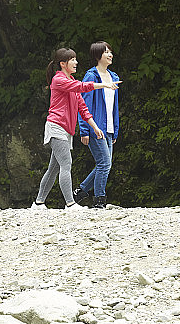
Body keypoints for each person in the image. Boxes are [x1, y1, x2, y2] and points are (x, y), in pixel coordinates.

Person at [32, 47, 120, 210]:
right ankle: (71, 203)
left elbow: (83, 108)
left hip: (66, 130)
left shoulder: (70, 82)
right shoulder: (59, 80)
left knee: (53, 169)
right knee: (66, 164)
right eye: (72, 60)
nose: (76, 62)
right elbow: (82, 87)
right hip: (56, 127)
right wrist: (104, 85)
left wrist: (95, 127)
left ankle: (38, 203)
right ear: (63, 64)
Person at [74, 41, 120, 209]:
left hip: (108, 128)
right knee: (104, 164)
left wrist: (115, 130)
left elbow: (114, 106)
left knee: (105, 164)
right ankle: (99, 200)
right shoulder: (91, 76)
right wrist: (84, 130)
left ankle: (80, 192)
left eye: (110, 51)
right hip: (96, 127)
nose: (110, 55)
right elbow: (83, 104)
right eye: (106, 52)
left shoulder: (114, 77)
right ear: (97, 55)